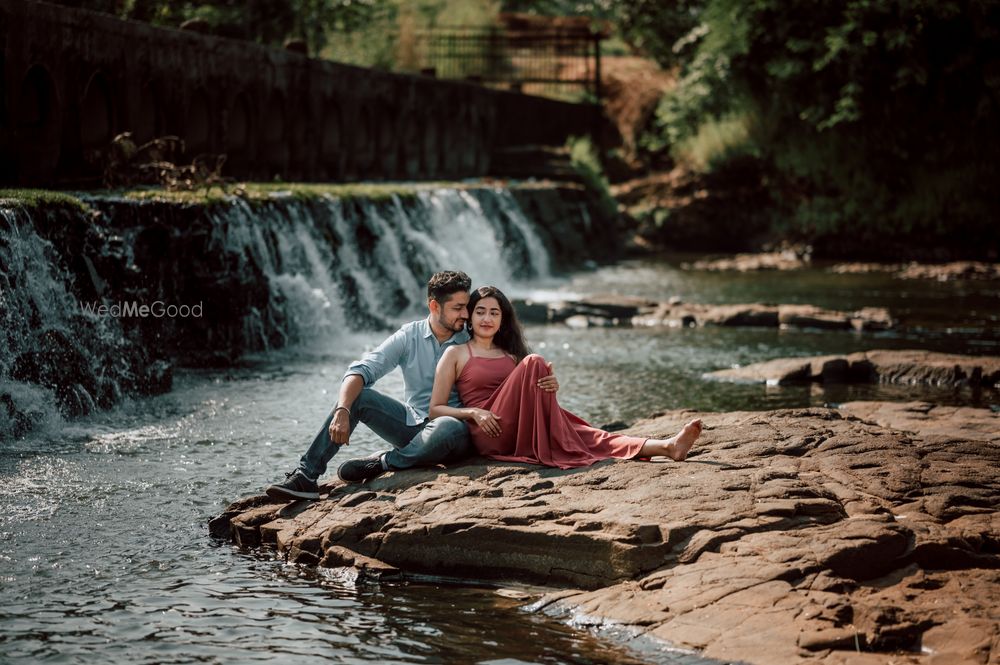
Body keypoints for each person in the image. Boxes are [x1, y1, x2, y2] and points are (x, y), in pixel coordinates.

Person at [265, 272, 561, 500]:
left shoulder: (474, 337)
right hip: (414, 424)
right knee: (359, 396)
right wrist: (343, 409)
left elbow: (515, 376)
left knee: (445, 425)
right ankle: (306, 476)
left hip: (460, 429)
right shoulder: (409, 336)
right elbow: (361, 370)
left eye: (466, 307)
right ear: (434, 305)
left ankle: (382, 462)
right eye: (459, 308)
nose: (466, 314)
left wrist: (544, 383)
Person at [429, 285, 702, 469]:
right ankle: (557, 444)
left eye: (494, 312)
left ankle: (668, 447)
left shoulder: (511, 356)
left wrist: (549, 388)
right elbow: (434, 410)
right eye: (480, 311)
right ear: (470, 316)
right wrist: (474, 413)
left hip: (522, 426)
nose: (487, 318)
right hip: (490, 433)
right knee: (535, 362)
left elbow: (524, 398)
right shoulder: (456, 353)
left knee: (586, 434)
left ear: (503, 320)